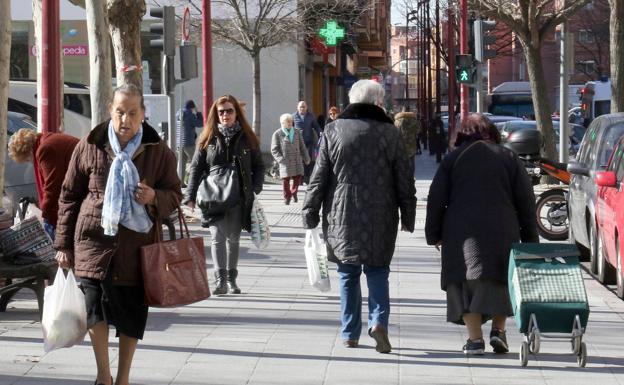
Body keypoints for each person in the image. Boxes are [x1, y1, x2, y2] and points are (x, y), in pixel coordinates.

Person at [54, 84, 182, 385]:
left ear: (143, 115)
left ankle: (123, 377)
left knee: (130, 312)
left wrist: (153, 197)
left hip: (136, 246)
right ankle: (104, 375)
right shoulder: (90, 144)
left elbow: (174, 194)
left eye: (132, 113)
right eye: (120, 112)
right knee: (94, 306)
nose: (125, 119)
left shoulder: (157, 150)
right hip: (93, 238)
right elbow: (69, 195)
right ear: (110, 111)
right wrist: (63, 244)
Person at [302, 80, 416, 353]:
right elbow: (404, 177)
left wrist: (310, 210)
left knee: (348, 272)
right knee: (378, 270)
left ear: (352, 100)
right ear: (378, 102)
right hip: (382, 210)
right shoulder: (391, 133)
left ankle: (350, 332)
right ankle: (378, 323)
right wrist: (408, 214)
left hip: (343, 210)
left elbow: (319, 176)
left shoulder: (333, 130)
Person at [425, 113, 538, 356]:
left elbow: (436, 198)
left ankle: (475, 340)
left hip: (460, 231)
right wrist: (531, 238)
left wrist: (433, 233)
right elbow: (526, 200)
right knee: (499, 279)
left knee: (464, 282)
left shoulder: (454, 159)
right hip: (502, 229)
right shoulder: (508, 157)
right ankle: (499, 330)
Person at [183, 94, 265, 295]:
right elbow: (195, 168)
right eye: (221, 112)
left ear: (236, 113)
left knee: (233, 238)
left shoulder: (247, 138)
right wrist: (190, 196)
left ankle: (231, 279)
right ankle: (220, 280)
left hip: (238, 197)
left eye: (229, 111)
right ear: (216, 114)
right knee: (217, 237)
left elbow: (259, 167)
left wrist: (254, 189)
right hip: (213, 197)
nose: (225, 115)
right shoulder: (208, 137)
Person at [8, 128, 79, 239]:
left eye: (27, 160)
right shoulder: (47, 140)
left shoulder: (45, 149)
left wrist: (45, 215)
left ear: (27, 152)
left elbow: (52, 186)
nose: (30, 162)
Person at [271, 114, 310, 205]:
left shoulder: (297, 132)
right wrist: (281, 160)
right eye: (287, 121)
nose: (290, 123)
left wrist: (306, 158)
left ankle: (294, 193)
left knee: (298, 177)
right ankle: (287, 197)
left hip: (296, 159)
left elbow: (302, 146)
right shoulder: (277, 133)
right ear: (282, 123)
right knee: (286, 180)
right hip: (286, 161)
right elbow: (274, 149)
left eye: (290, 121)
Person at [292, 101, 321, 184]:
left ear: (306, 108)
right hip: (297, 142)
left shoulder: (310, 116)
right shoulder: (293, 116)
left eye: (304, 107)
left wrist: (320, 132)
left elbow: (316, 126)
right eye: (301, 107)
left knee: (308, 160)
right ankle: (299, 179)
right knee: (299, 161)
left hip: (308, 141)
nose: (302, 108)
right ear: (297, 108)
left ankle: (307, 178)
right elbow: (289, 128)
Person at [176, 100, 203, 184]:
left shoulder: (178, 113)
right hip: (188, 143)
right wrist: (198, 112)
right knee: (197, 162)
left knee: (181, 164)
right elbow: (200, 123)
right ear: (192, 107)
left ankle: (179, 183)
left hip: (179, 143)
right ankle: (196, 181)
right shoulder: (189, 114)